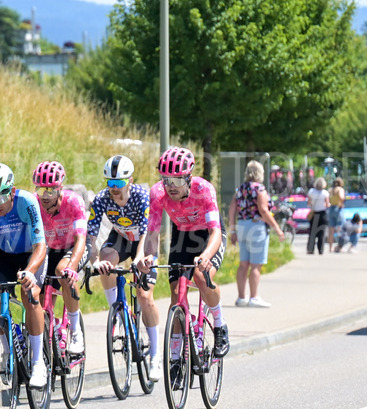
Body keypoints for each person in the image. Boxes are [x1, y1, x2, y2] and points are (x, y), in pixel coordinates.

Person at [137, 147, 229, 359]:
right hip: (182, 235)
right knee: (177, 292)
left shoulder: (204, 189)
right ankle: (176, 357)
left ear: (189, 178)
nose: (171, 187)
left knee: (200, 277)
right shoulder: (157, 193)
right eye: (166, 180)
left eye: (177, 181)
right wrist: (149, 256)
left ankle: (219, 324)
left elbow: (215, 231)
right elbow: (152, 232)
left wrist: (206, 256)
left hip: (208, 235)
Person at [87, 154, 161, 378]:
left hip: (144, 240)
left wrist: (140, 258)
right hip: (120, 237)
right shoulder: (101, 199)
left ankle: (155, 355)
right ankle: (116, 312)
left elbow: (147, 232)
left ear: (130, 181)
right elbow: (90, 237)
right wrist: (95, 262)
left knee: (144, 296)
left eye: (118, 183)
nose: (114, 188)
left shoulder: (140, 196)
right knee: (106, 260)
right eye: (110, 183)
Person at [0, 162, 49, 389]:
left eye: (0, 198)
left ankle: (38, 362)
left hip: (32, 254)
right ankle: (6, 348)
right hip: (5, 255)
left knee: (30, 294)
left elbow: (41, 245)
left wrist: (30, 271)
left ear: (12, 191)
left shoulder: (26, 201)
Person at [32, 160, 88, 356]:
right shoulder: (34, 203)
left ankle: (75, 330)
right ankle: (51, 327)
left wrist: (72, 266)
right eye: (41, 191)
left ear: (60, 188)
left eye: (50, 191)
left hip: (73, 247)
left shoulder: (74, 202)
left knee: (62, 272)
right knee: (39, 294)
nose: (45, 196)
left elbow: (81, 239)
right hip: (49, 249)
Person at [227, 160, 287, 308]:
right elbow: (263, 210)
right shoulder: (260, 189)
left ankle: (241, 298)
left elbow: (232, 210)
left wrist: (233, 230)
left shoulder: (240, 190)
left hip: (241, 226)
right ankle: (254, 297)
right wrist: (277, 228)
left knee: (243, 264)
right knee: (255, 265)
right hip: (256, 226)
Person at [306, 176, 329, 255]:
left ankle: (310, 249)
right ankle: (320, 249)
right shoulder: (325, 193)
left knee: (312, 232)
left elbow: (309, 203)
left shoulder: (311, 191)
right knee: (321, 233)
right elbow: (327, 204)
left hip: (314, 213)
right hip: (322, 214)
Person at [327, 177, 346, 252]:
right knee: (340, 228)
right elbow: (341, 197)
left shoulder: (330, 190)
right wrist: (341, 202)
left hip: (331, 209)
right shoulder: (340, 189)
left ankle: (330, 247)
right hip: (338, 209)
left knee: (331, 229)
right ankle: (339, 246)